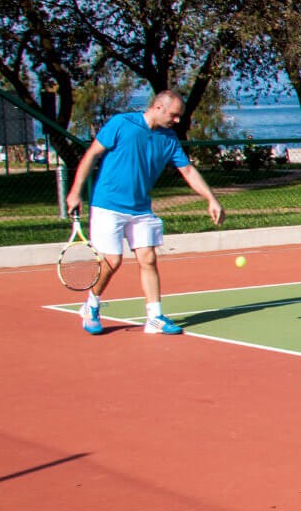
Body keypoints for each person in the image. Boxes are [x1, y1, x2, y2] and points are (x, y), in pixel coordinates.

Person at [63, 91, 225, 335]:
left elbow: (188, 171)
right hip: (108, 205)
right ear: (159, 107)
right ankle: (91, 305)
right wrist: (75, 192)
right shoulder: (121, 124)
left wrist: (211, 198)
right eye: (174, 115)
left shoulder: (169, 138)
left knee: (148, 258)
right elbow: (91, 154)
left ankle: (154, 317)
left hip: (141, 209)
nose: (177, 120)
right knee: (112, 260)